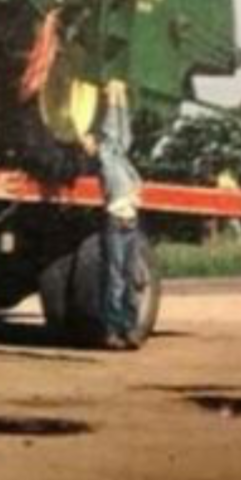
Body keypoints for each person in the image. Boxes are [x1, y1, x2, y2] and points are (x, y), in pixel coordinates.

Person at [79, 77, 145, 349]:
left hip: (130, 223)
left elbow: (123, 134)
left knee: (129, 279)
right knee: (117, 280)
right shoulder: (106, 158)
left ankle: (128, 329)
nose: (92, 142)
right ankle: (112, 331)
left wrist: (120, 99)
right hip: (117, 223)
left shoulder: (118, 156)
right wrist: (111, 101)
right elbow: (111, 133)